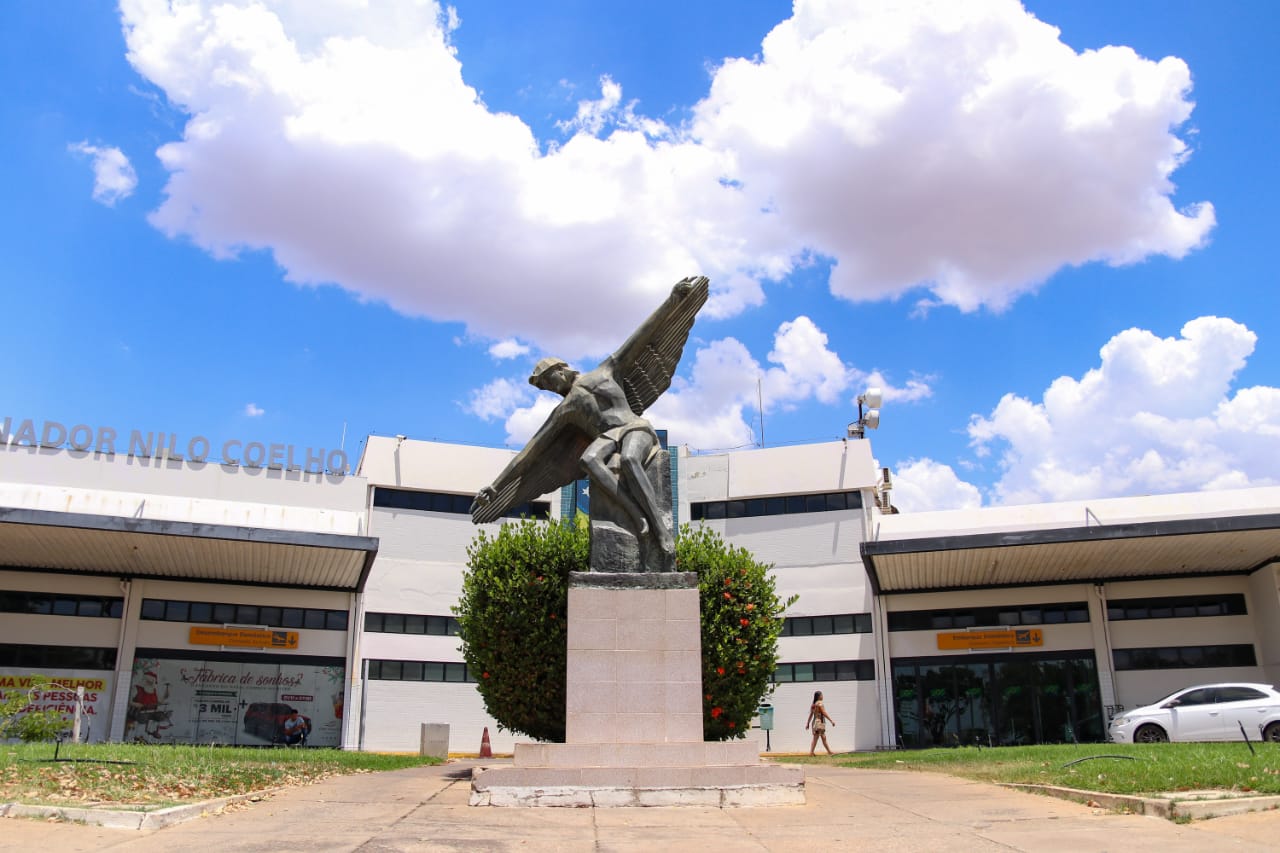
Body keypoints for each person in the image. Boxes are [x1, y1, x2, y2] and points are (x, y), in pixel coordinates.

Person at [805, 690, 836, 756]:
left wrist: (808, 723)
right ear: (819, 696)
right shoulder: (820, 704)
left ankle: (827, 751)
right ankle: (812, 752)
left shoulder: (814, 704)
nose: (822, 696)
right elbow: (824, 713)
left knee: (822, 737)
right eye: (821, 695)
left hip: (815, 722)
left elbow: (811, 715)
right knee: (818, 737)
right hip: (819, 722)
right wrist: (831, 721)